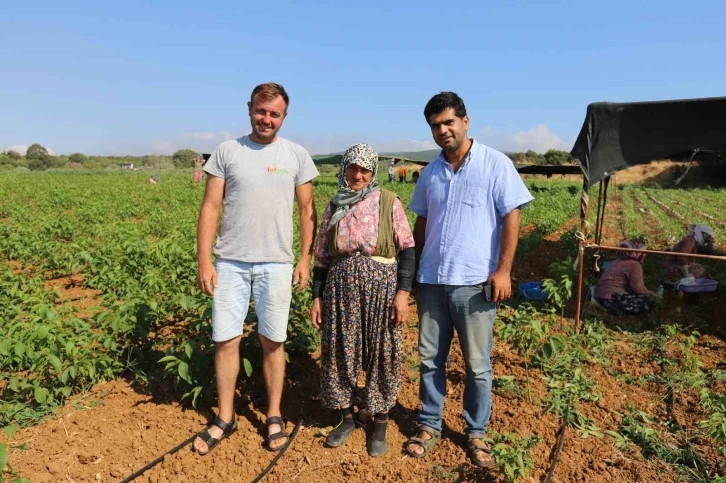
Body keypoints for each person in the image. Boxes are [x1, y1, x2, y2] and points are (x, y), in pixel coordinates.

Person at [405, 92, 533, 468]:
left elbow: (512, 216)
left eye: (448, 122)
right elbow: (422, 222)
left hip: (475, 283)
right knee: (429, 359)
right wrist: (413, 274)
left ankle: (476, 432)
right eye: (435, 126)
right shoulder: (430, 173)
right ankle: (430, 422)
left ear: (465, 121)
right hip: (432, 281)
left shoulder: (495, 164)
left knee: (477, 365)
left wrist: (504, 270)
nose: (443, 131)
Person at [194, 82, 319, 455]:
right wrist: (205, 260)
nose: (267, 119)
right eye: (261, 111)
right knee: (226, 340)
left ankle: (275, 414)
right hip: (230, 261)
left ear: (284, 116)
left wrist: (305, 257)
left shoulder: (296, 155)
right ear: (250, 108)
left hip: (277, 263)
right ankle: (225, 416)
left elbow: (307, 211)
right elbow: (210, 208)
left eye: (274, 114)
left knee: (272, 341)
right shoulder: (227, 151)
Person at [311, 143, 415, 457]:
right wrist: (316, 298)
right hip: (340, 291)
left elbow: (408, 249)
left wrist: (402, 294)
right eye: (352, 168)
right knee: (340, 350)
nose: (358, 174)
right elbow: (321, 258)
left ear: (372, 172)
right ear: (344, 169)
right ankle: (346, 417)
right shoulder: (334, 205)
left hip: (382, 290)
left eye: (364, 169)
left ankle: (380, 419)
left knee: (383, 352)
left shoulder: (388, 202)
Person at [595, 240, 658, 315]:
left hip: (600, 295)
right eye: (643, 253)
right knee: (648, 301)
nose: (644, 256)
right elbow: (639, 289)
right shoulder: (634, 265)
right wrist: (654, 295)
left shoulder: (616, 261)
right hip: (611, 299)